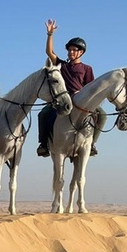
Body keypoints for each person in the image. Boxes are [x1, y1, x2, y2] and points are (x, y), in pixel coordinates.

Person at [37, 19, 106, 158]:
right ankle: (44, 145)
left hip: (82, 100)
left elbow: (91, 87)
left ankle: (92, 143)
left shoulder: (87, 68)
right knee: (43, 114)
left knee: (102, 115)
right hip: (63, 99)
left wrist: (82, 93)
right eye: (69, 49)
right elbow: (49, 52)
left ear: (81, 52)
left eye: (74, 50)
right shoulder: (62, 65)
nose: (70, 52)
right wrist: (50, 34)